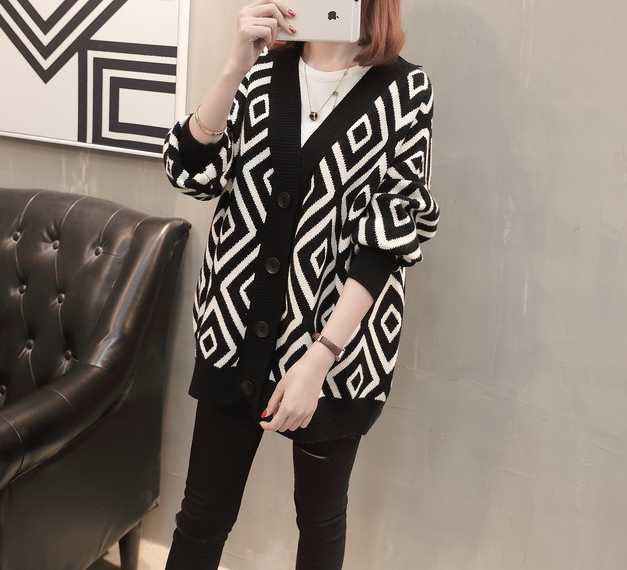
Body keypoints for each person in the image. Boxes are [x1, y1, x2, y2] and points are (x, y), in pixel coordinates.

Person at [162, 0, 438, 567]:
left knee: (319, 524)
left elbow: (386, 242)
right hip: (234, 335)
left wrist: (319, 359)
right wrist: (234, 67)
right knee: (200, 520)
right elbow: (191, 174)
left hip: (336, 354)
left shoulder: (404, 91)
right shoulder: (260, 73)